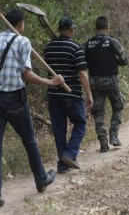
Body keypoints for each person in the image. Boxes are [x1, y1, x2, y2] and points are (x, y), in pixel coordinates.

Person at [0, 8, 64, 211]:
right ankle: (41, 179)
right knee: (29, 140)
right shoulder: (22, 41)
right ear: (21, 24)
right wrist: (51, 82)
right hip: (15, 99)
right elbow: (27, 75)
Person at [44, 17, 93, 174]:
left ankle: (63, 164)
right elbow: (82, 73)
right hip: (71, 94)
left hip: (53, 94)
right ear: (72, 30)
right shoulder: (76, 47)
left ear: (59, 30)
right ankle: (69, 153)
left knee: (59, 129)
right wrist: (89, 94)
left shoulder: (48, 47)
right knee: (80, 123)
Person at [83, 16, 128, 153]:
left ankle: (103, 142)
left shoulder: (88, 44)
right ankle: (113, 136)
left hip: (94, 82)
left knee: (98, 111)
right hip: (110, 80)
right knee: (118, 105)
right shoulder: (112, 42)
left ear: (96, 28)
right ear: (107, 27)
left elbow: (82, 62)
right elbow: (124, 60)